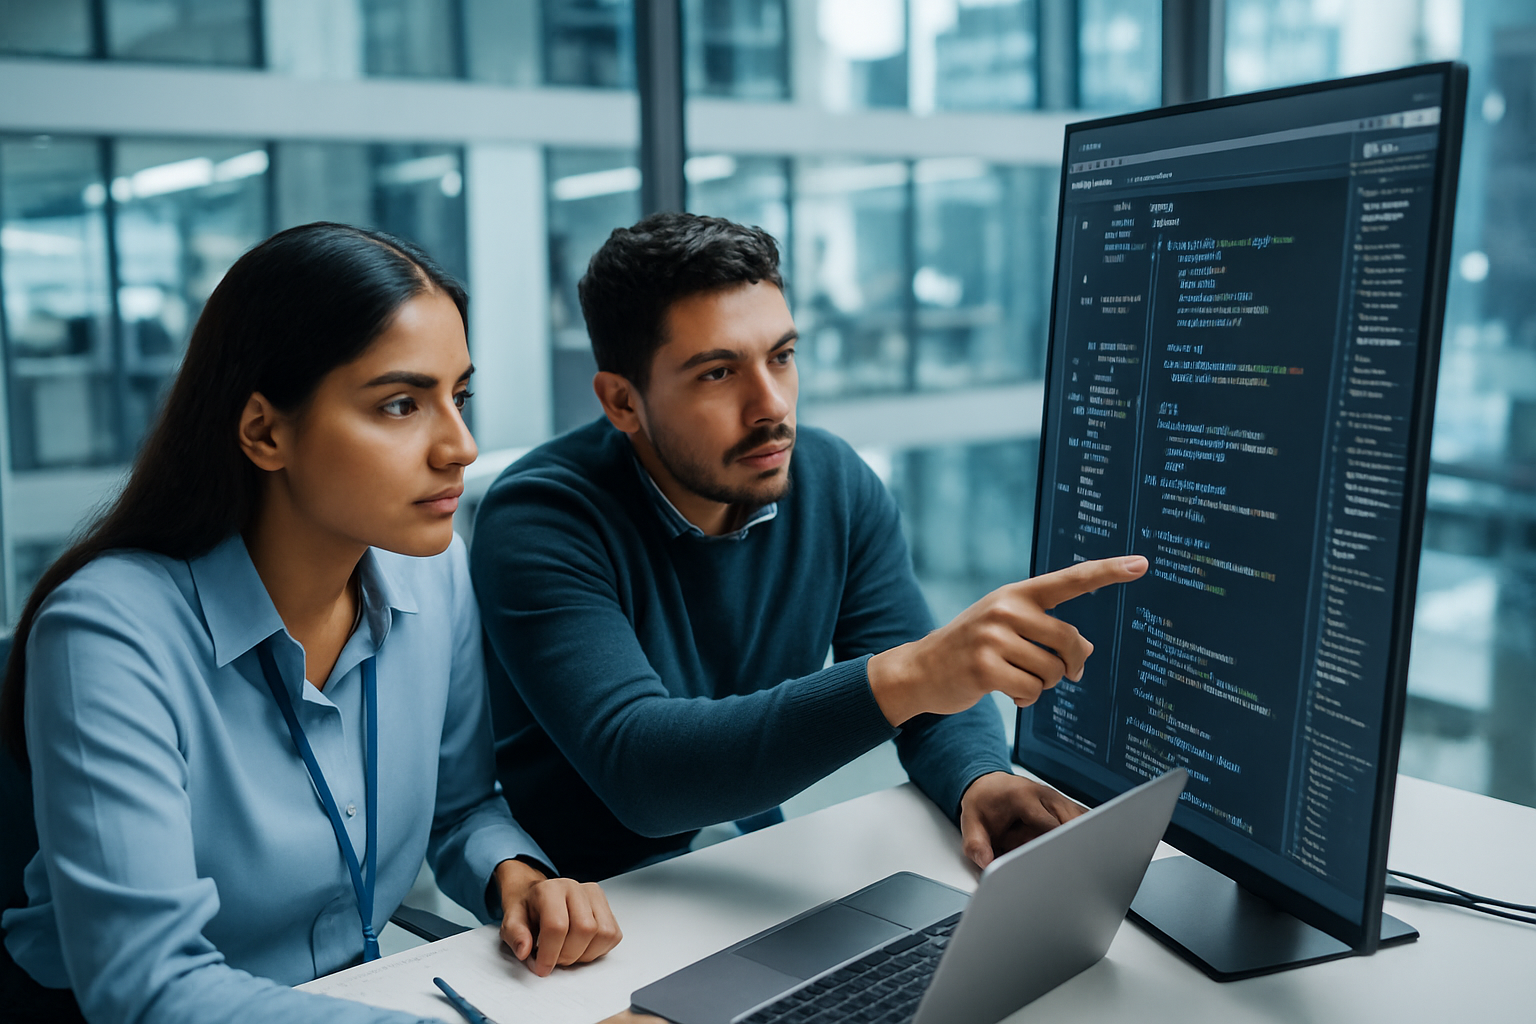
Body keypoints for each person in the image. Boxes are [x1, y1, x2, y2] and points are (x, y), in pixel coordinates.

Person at [0, 223, 622, 1024]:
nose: (460, 446)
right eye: (400, 404)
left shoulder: (433, 573)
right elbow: (148, 986)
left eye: (457, 396)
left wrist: (519, 879)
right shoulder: (109, 634)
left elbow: (462, 806)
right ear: (264, 430)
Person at [471, 212, 1148, 883]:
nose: (772, 406)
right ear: (623, 403)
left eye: (782, 357)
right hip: (575, 908)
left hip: (749, 869)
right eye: (716, 373)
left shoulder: (831, 482)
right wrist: (910, 675)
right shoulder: (540, 517)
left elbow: (933, 686)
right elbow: (643, 774)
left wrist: (981, 778)